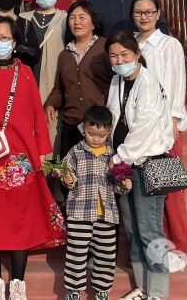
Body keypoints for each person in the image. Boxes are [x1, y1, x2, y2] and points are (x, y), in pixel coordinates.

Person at [0, 16, 65, 300]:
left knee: (21, 219)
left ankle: (18, 283)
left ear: (15, 42)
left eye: (5, 38)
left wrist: (42, 152)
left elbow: (37, 117)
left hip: (22, 159)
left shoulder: (26, 73)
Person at [105, 31, 174, 300]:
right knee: (132, 228)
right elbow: (114, 119)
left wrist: (117, 158)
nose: (119, 60)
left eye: (124, 54)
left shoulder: (149, 82)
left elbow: (143, 130)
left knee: (149, 229)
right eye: (113, 56)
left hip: (147, 163)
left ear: (137, 54)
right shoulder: (117, 81)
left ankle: (158, 291)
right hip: (123, 164)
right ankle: (142, 286)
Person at [131, 0, 187, 259]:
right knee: (142, 189)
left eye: (149, 12)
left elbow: (177, 83)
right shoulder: (130, 44)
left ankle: (178, 246)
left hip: (164, 126)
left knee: (169, 188)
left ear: (158, 14)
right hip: (137, 126)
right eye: (138, 12)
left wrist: (174, 119)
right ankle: (150, 246)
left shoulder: (168, 44)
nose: (143, 17)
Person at [57, 105, 120, 300]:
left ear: (109, 131)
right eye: (91, 134)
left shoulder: (113, 157)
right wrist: (67, 178)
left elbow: (119, 186)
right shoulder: (76, 152)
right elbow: (64, 172)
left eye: (101, 135)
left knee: (106, 256)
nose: (96, 139)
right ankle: (73, 290)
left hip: (106, 215)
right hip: (80, 214)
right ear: (83, 127)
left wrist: (124, 184)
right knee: (76, 254)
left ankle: (102, 290)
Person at [44, 2, 112, 158]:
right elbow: (59, 88)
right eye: (72, 18)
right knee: (68, 171)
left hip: (99, 126)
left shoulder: (104, 48)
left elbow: (115, 83)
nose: (76, 22)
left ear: (93, 23)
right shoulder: (65, 55)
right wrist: (51, 103)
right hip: (71, 126)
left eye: (82, 17)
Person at [20, 0, 67, 150]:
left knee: (51, 136)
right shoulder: (22, 19)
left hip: (53, 86)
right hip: (25, 86)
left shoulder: (66, 19)